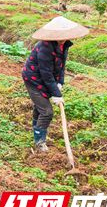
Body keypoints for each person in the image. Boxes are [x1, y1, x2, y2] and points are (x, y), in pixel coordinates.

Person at [22, 16, 89, 152]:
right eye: (60, 36)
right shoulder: (45, 47)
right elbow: (46, 73)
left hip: (47, 79)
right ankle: (39, 142)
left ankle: (36, 132)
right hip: (34, 80)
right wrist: (56, 94)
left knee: (40, 109)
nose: (63, 38)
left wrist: (60, 82)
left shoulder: (64, 45)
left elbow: (61, 66)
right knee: (46, 112)